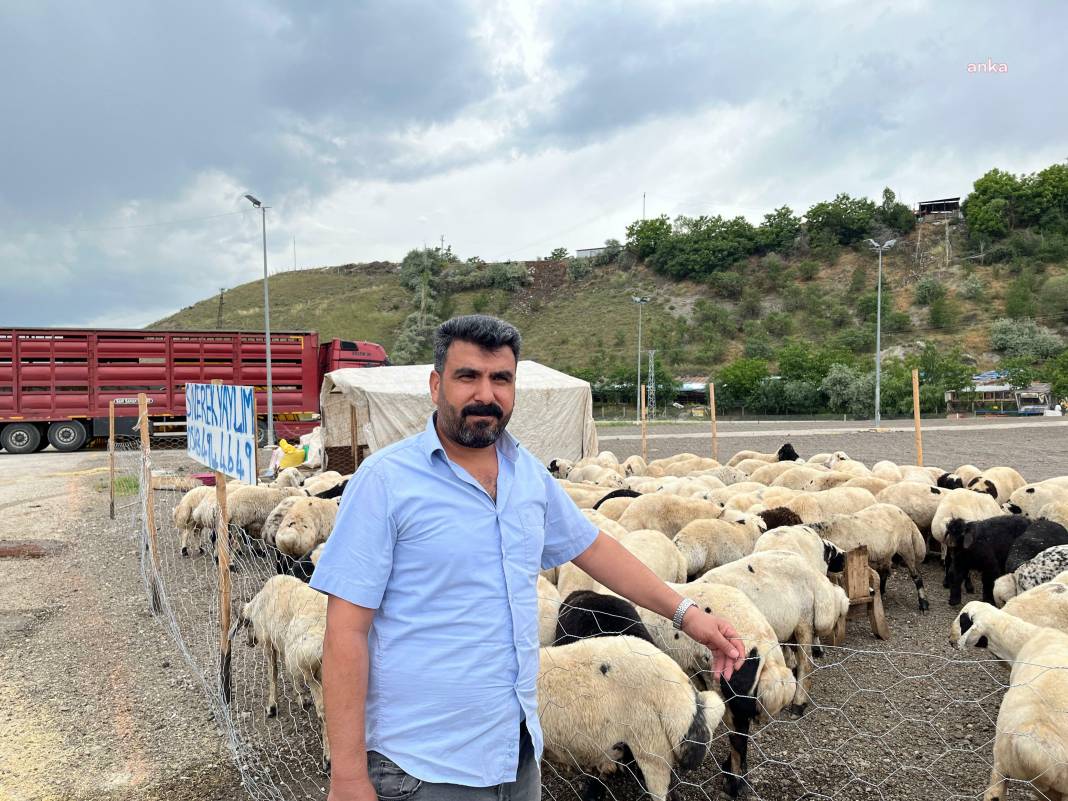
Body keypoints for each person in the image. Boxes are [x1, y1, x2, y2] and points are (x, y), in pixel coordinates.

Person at [310, 314, 744, 801]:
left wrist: (688, 615)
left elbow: (593, 548)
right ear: (436, 385)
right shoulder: (385, 482)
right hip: (422, 767)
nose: (486, 394)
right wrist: (347, 774)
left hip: (516, 756)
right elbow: (345, 630)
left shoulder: (527, 475)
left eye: (501, 379)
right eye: (467, 376)